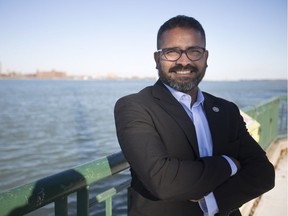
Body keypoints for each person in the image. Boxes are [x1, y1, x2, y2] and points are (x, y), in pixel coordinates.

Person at [114, 15, 275, 216]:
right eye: (171, 52)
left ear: (206, 58)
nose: (183, 61)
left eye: (194, 51)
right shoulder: (134, 106)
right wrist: (230, 163)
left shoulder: (226, 110)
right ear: (157, 59)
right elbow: (163, 182)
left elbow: (264, 174)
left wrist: (213, 200)